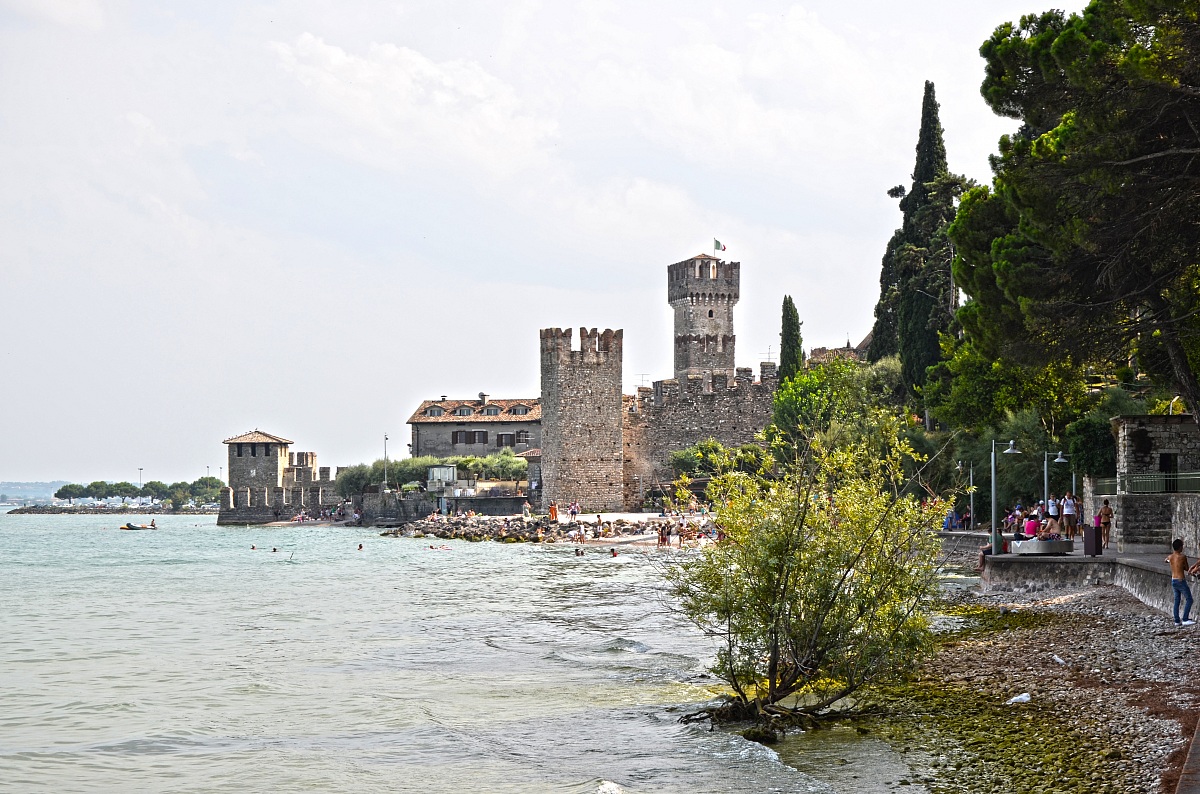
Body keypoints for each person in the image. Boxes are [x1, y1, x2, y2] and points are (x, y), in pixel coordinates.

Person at [1169, 539, 1196, 626]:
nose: (1182, 548)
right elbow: (1187, 568)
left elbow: (1166, 560)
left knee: (1177, 600)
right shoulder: (1183, 557)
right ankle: (1185, 619)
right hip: (1180, 580)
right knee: (1189, 599)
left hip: (1173, 580)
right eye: (1182, 546)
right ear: (1180, 547)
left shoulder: (1170, 557)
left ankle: (1177, 621)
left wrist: (1170, 561)